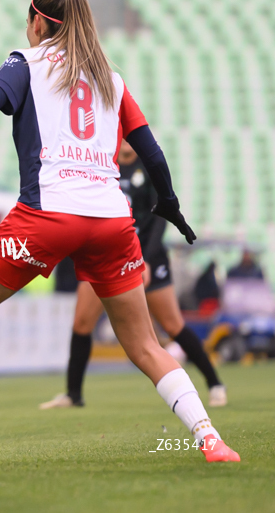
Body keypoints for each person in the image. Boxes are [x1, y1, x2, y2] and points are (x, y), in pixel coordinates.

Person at [0, 0, 239, 465]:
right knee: (143, 343)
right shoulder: (109, 79)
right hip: (113, 222)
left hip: (47, 218)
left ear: (37, 21)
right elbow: (151, 150)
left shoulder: (26, 63)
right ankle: (210, 439)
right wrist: (169, 201)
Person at [41, 140, 226, 410]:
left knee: (173, 324)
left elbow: (160, 218)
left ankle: (214, 383)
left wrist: (146, 259)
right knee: (82, 322)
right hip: (107, 254)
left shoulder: (149, 167)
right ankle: (73, 394)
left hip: (146, 257)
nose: (126, 136)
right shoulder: (104, 164)